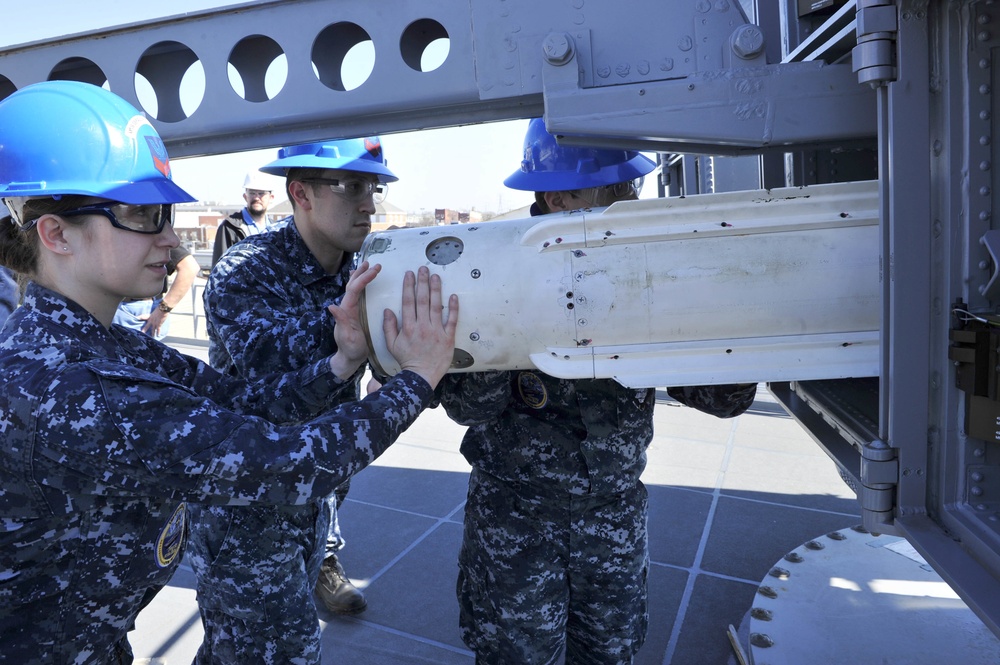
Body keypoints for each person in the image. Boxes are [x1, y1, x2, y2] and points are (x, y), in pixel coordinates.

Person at [0, 80, 458, 664]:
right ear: (56, 233)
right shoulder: (73, 385)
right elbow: (287, 465)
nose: (170, 238)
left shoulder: (101, 346)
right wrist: (416, 381)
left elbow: (239, 400)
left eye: (164, 214)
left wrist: (341, 360)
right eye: (141, 215)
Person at [438, 118, 758, 665]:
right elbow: (467, 406)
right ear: (561, 196)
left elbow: (723, 399)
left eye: (630, 188)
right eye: (617, 190)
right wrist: (516, 326)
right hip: (515, 522)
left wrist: (725, 306)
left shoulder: (643, 265)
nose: (630, 203)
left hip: (613, 518)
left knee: (610, 655)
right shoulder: (487, 267)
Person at [187, 138, 397, 663]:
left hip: (317, 494)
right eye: (350, 186)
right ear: (300, 193)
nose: (368, 203)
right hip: (248, 506)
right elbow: (265, 367)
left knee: (239, 649)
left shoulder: (364, 268)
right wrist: (350, 340)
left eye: (372, 186)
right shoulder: (246, 269)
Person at [113, 243, 199, 339]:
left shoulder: (154, 236)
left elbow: (189, 267)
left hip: (138, 311)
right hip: (113, 304)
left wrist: (163, 309)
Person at [211, 170, 278, 266]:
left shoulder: (275, 229)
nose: (256, 198)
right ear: (245, 196)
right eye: (252, 193)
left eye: (261, 193)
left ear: (271, 197)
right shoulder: (230, 227)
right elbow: (219, 268)